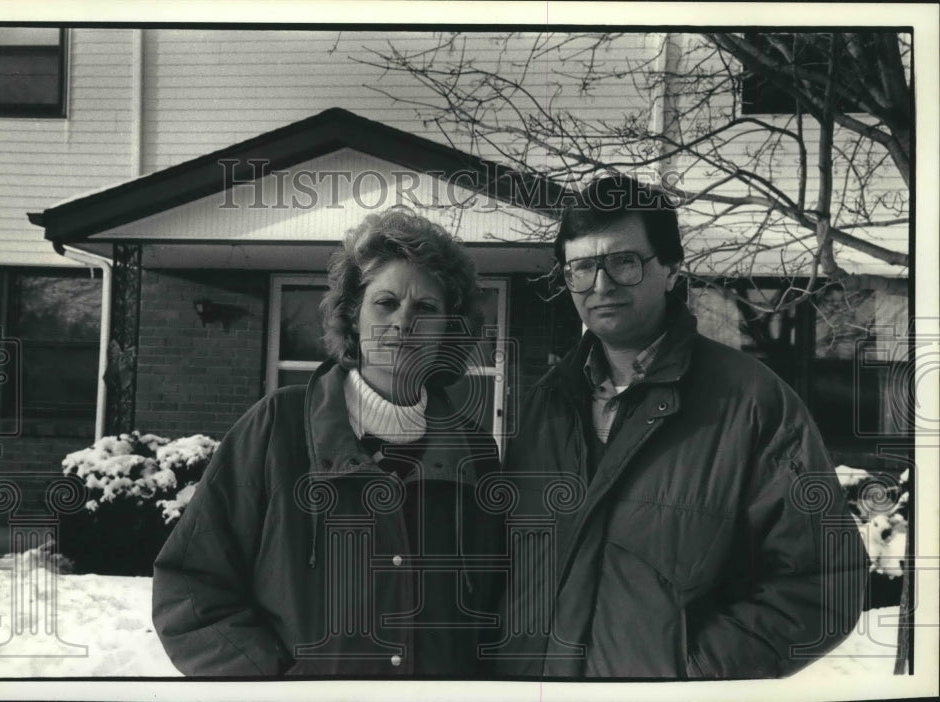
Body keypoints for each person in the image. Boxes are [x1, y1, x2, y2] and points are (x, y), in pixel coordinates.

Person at [493, 174, 869, 679]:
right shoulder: (546, 406)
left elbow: (827, 581)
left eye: (624, 262)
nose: (600, 285)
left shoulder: (751, 403)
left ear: (671, 269)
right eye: (581, 266)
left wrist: (687, 673)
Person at [152, 207, 503, 677]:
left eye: (426, 308)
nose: (403, 323)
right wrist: (274, 687)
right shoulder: (278, 428)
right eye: (385, 302)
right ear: (353, 316)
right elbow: (191, 589)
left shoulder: (477, 455)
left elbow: (494, 612)